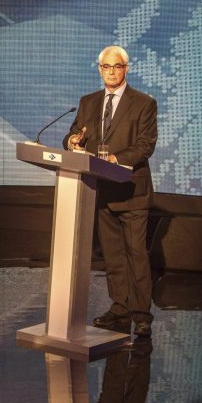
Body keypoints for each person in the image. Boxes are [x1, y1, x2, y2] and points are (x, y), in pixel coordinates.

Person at [64, 45, 157, 337]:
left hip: (131, 191)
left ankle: (141, 313)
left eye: (116, 67)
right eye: (106, 67)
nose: (111, 72)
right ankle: (120, 306)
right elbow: (73, 132)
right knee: (113, 255)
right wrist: (72, 142)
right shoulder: (88, 102)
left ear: (126, 69)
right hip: (101, 190)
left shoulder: (143, 103)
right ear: (100, 69)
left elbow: (145, 145)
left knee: (136, 254)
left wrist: (116, 159)